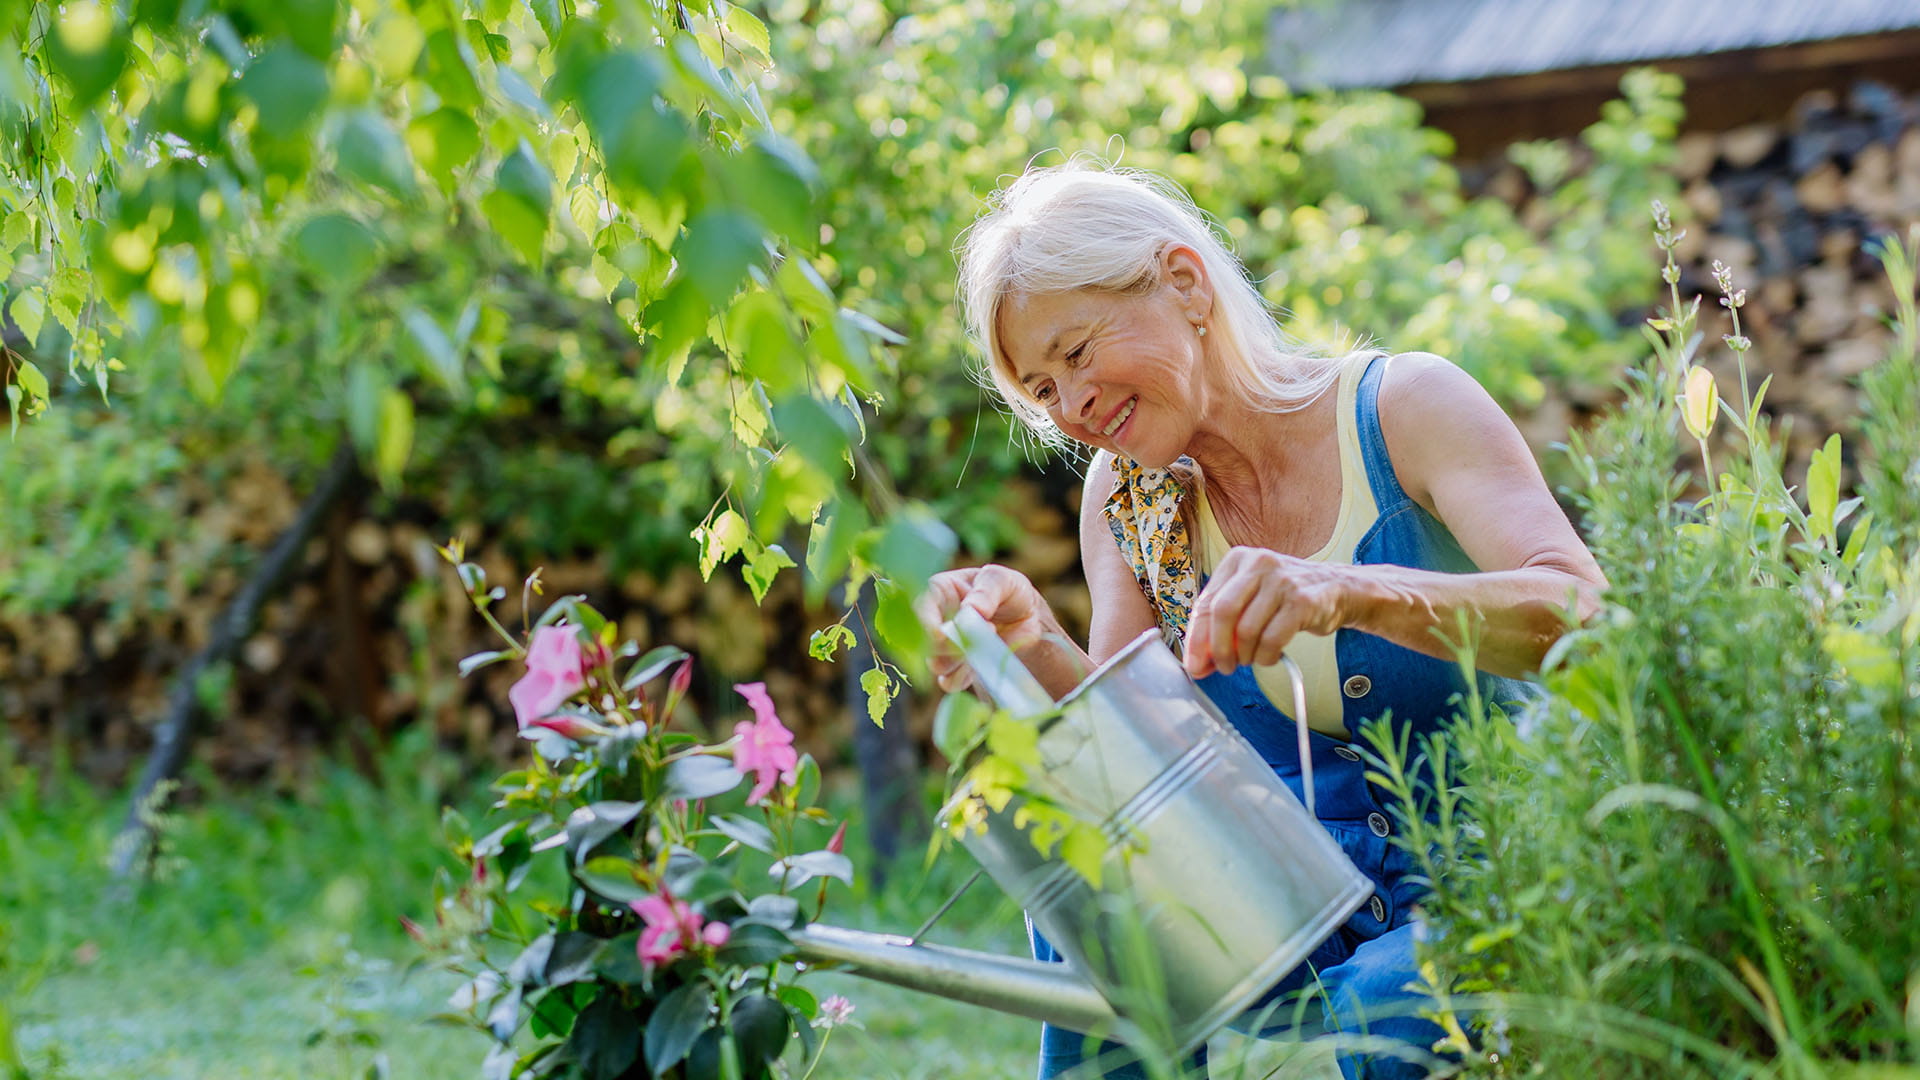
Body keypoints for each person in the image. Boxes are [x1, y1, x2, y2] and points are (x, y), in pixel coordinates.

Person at [917, 162, 1607, 1080]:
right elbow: (1145, 773)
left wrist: (1357, 594)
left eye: (1077, 354)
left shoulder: (1402, 408)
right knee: (1093, 889)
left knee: (1384, 1005)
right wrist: (1033, 642)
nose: (1071, 407)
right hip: (1292, 896)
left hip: (1495, 872)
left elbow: (1585, 613)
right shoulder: (1127, 499)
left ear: (1185, 282)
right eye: (1041, 390)